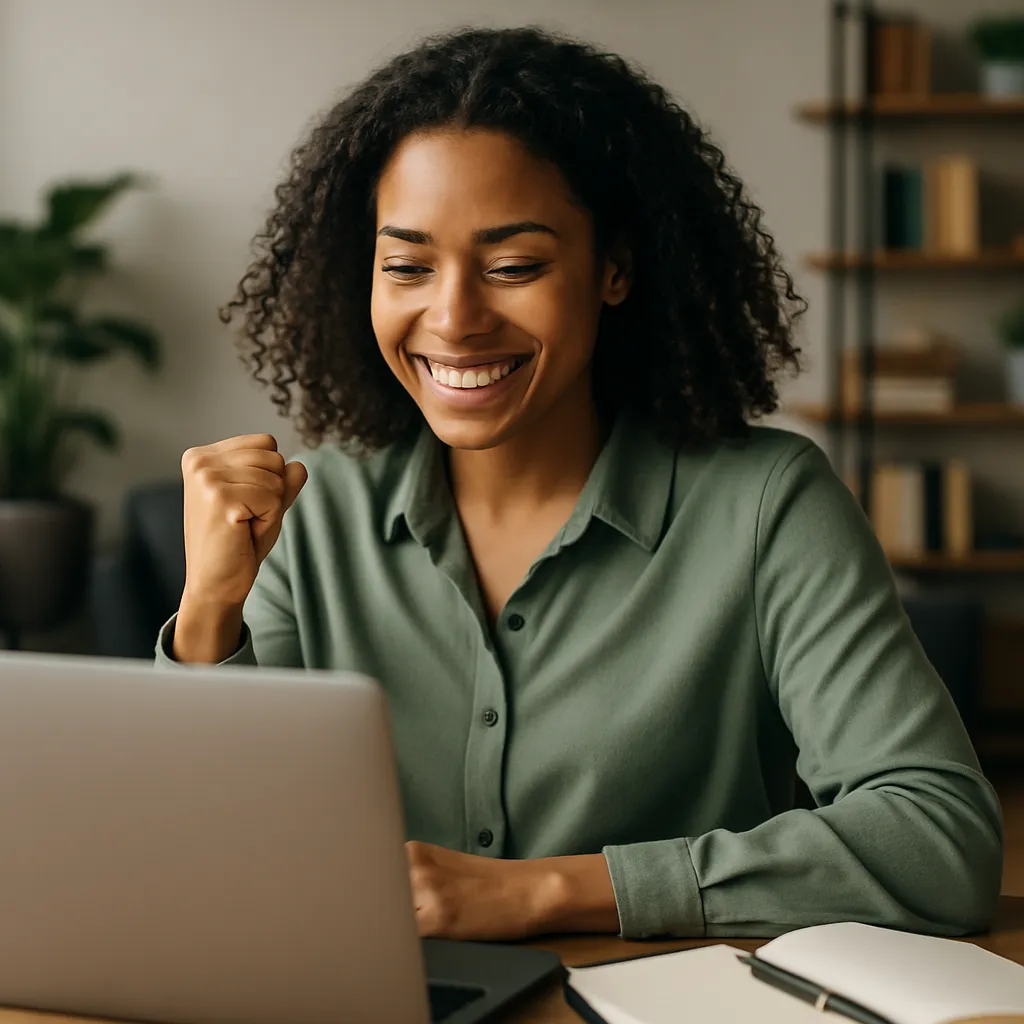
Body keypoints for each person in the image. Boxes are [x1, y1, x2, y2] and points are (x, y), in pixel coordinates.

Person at [156, 25, 1003, 942]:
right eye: (406, 266)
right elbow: (195, 860)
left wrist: (550, 892)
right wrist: (210, 611)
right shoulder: (316, 514)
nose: (454, 318)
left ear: (615, 269)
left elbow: (939, 842)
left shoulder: (766, 505)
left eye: (514, 266)